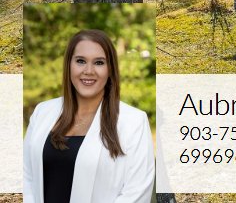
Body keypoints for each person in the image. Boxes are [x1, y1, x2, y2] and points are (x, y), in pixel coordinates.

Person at [23, 29, 153, 203]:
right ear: (69, 65)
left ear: (110, 69)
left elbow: (137, 192)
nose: (89, 70)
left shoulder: (133, 121)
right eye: (80, 61)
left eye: (99, 62)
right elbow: (26, 177)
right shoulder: (42, 112)